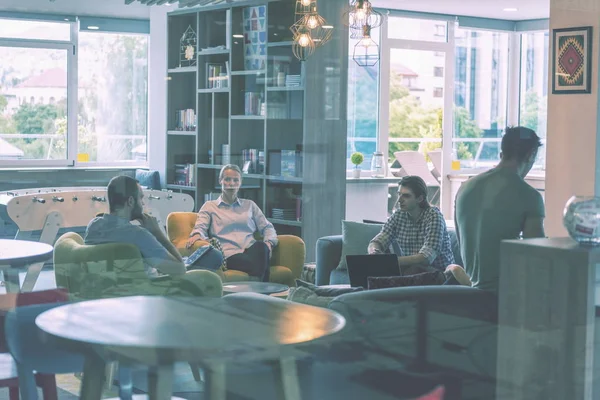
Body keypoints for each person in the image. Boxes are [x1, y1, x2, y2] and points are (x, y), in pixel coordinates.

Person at [454, 126, 545, 293]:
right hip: (505, 297)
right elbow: (537, 257)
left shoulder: (465, 188)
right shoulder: (529, 196)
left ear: (502, 152)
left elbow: (465, 245)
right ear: (531, 154)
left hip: (470, 294)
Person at [84, 175, 224, 279]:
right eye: (141, 198)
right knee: (213, 255)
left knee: (192, 258)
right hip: (155, 290)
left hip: (112, 291)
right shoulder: (138, 235)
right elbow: (179, 269)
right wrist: (157, 233)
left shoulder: (93, 226)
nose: (143, 203)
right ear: (131, 201)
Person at [367, 175, 471, 287]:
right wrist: (374, 252)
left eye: (406, 196)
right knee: (374, 271)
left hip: (440, 273)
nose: (399, 200)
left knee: (411, 270)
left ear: (420, 198)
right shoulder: (398, 215)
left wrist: (390, 262)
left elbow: (425, 258)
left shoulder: (434, 216)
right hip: (412, 271)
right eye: (399, 194)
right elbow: (379, 239)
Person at [186, 164, 278, 282]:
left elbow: (267, 227)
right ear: (220, 181)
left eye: (236, 180)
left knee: (262, 247)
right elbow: (200, 227)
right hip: (229, 255)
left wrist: (269, 243)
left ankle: (257, 286)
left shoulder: (250, 205)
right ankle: (263, 288)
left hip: (251, 250)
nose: (231, 183)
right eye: (227, 179)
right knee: (259, 261)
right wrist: (197, 235)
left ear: (240, 183)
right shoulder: (210, 206)